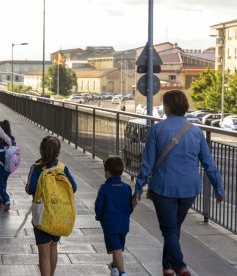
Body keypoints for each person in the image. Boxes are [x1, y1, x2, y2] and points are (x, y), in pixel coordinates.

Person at [132, 90, 224, 276]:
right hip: (189, 189)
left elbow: (147, 163)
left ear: (167, 107)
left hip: (164, 188)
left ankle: (180, 266)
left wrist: (138, 188)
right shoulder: (196, 131)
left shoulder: (157, 129)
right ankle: (167, 267)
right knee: (173, 229)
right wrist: (218, 188)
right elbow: (209, 163)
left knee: (169, 230)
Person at [25, 136, 77, 276]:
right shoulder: (62, 168)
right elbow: (74, 187)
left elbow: (30, 188)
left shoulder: (37, 168)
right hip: (58, 215)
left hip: (41, 215)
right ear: (58, 152)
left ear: (41, 150)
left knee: (43, 252)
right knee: (53, 246)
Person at [95, 156, 133, 276]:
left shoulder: (104, 188)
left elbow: (98, 206)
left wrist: (100, 217)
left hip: (110, 224)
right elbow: (130, 207)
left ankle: (122, 272)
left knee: (116, 248)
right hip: (124, 224)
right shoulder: (127, 188)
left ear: (107, 173)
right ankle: (114, 267)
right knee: (119, 247)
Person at [0, 120, 15, 211]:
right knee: (3, 183)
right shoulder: (11, 140)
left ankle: (6, 200)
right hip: (8, 168)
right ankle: (1, 201)